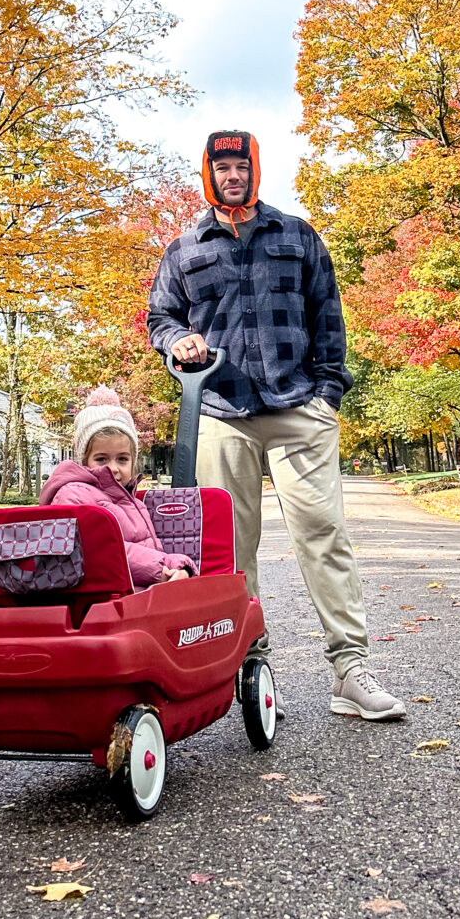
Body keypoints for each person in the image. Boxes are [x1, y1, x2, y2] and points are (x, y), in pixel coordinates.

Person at [146, 128, 405, 721]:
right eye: (222, 168)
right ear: (207, 174)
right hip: (220, 411)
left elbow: (328, 314)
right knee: (230, 553)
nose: (231, 175)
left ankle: (350, 670)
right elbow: (159, 315)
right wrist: (175, 340)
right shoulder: (184, 249)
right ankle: (252, 671)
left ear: (254, 171)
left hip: (298, 408)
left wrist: (327, 393)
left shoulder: (296, 234)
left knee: (323, 534)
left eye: (240, 166)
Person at [38, 386, 196, 587]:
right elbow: (100, 551)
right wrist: (164, 567)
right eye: (101, 459)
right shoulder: (73, 496)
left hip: (139, 592)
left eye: (122, 459)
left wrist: (177, 568)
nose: (113, 468)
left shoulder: (132, 502)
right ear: (83, 460)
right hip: (106, 601)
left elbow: (146, 549)